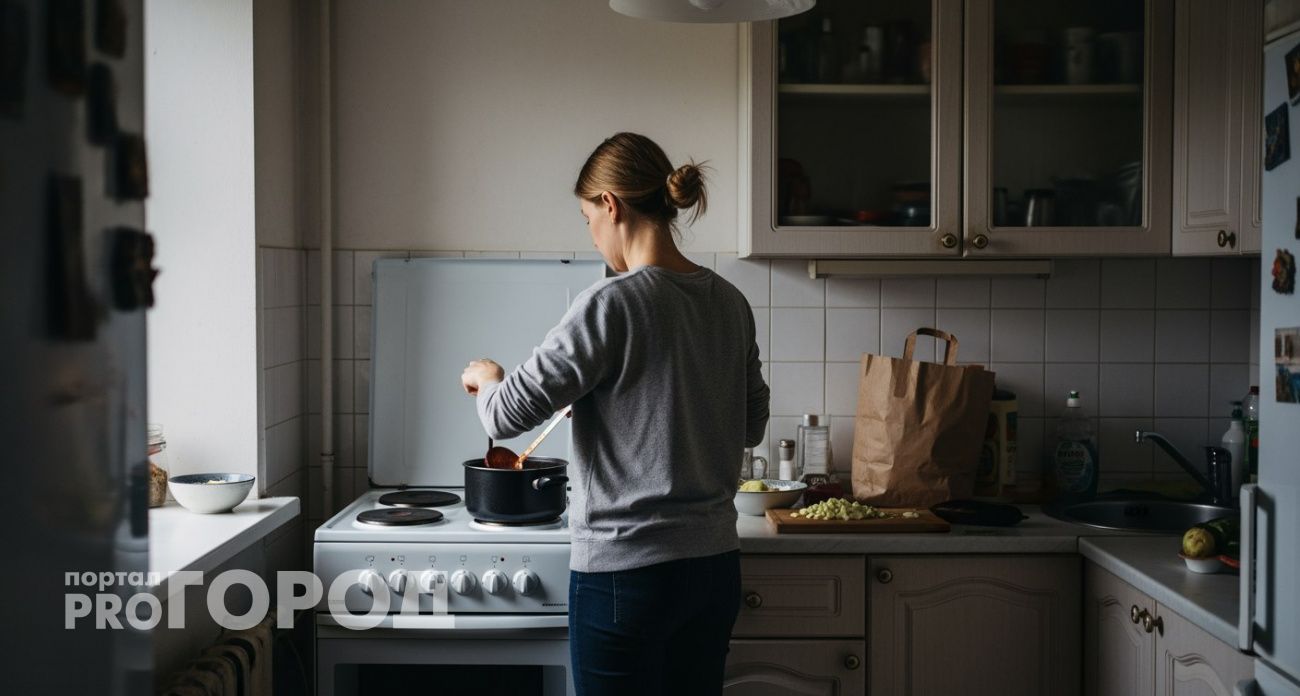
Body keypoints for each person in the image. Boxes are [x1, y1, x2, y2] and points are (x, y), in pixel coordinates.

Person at [460, 132, 770, 695]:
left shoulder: (609, 303)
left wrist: (487, 375)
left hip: (626, 575)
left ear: (611, 204)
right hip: (713, 569)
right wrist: (628, 411)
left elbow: (502, 417)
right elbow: (750, 425)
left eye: (586, 217)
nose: (592, 234)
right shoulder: (729, 301)